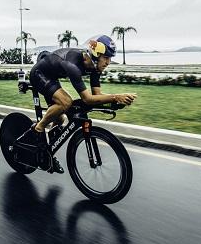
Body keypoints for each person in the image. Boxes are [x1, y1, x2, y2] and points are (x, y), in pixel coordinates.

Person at [27, 34, 137, 174]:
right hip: (39, 74)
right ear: (96, 56)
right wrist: (115, 97)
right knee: (66, 102)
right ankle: (38, 129)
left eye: (110, 58)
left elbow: (96, 95)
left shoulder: (95, 67)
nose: (108, 62)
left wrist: (116, 101)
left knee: (60, 118)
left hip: (52, 76)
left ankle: (47, 151)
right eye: (106, 57)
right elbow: (87, 99)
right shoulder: (72, 65)